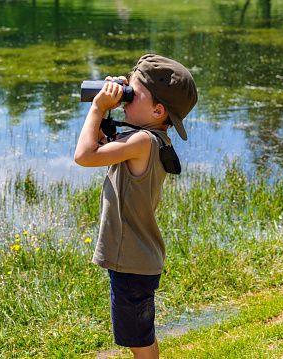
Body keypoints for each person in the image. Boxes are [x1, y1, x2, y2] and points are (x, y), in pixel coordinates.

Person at [74, 54, 197, 359]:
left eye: (132, 93)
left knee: (138, 339)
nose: (125, 96)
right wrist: (105, 118)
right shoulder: (153, 138)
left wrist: (97, 107)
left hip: (132, 259)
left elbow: (85, 155)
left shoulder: (142, 141)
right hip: (137, 257)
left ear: (158, 109)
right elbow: (102, 145)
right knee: (139, 335)